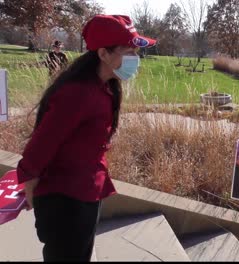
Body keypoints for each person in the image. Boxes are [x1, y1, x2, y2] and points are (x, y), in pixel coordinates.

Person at [16, 15, 156, 261]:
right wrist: (29, 185)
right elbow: (41, 145)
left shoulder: (106, 87)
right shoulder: (78, 93)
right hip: (66, 202)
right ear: (103, 54)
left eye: (136, 51)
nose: (135, 59)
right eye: (129, 51)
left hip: (87, 193)